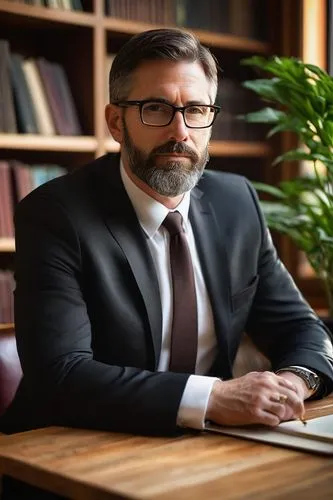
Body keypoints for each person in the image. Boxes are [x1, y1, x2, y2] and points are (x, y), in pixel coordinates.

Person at [2, 27, 333, 440]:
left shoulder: (236, 204)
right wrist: (212, 397)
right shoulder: (56, 214)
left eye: (196, 110)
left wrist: (294, 382)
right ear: (116, 122)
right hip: (69, 445)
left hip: (208, 443)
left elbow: (301, 327)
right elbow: (61, 374)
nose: (180, 132)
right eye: (156, 109)